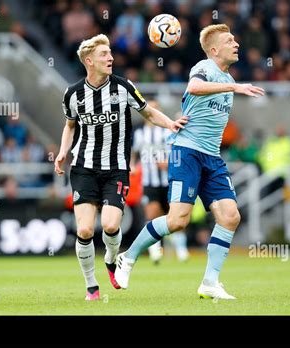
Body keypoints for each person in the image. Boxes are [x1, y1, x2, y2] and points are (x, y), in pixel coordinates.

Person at [115, 24, 264, 300]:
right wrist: (234, 86)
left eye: (235, 39)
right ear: (214, 49)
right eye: (230, 40)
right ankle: (128, 256)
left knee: (230, 216)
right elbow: (194, 87)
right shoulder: (205, 67)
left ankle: (210, 282)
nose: (236, 44)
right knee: (178, 221)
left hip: (212, 157)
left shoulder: (226, 80)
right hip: (187, 152)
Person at [54, 34, 187, 301]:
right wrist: (61, 152)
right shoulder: (73, 94)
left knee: (111, 225)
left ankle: (111, 260)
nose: (111, 57)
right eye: (104, 54)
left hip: (116, 169)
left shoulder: (123, 87)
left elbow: (148, 111)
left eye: (111, 53)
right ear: (89, 61)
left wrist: (170, 124)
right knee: (84, 230)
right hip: (83, 168)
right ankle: (91, 285)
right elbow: (70, 127)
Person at [133, 103, 189, 264]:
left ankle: (181, 250)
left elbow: (178, 152)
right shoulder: (139, 134)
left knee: (175, 216)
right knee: (152, 214)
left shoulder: (166, 130)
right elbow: (135, 154)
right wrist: (132, 167)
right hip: (149, 182)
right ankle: (156, 252)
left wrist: (169, 163)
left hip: (169, 180)